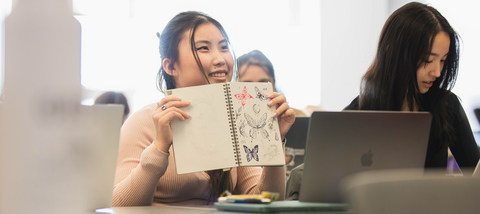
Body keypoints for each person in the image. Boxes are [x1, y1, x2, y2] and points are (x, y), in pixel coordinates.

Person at [112, 11, 295, 206]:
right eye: (203, 48)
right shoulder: (145, 121)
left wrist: (273, 143)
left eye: (224, 47)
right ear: (171, 66)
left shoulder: (236, 122)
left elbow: (265, 200)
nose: (220, 59)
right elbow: (118, 206)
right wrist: (159, 149)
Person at [344, 2, 480, 174]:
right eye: (428, 60)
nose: (437, 72)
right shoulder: (357, 114)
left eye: (443, 60)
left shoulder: (447, 106)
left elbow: (476, 171)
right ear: (395, 53)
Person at [236, 50, 305, 177]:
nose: (257, 92)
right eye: (247, 85)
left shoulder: (295, 117)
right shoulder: (232, 127)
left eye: (263, 84)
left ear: (273, 85)